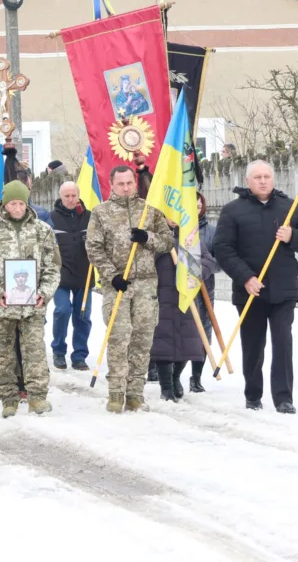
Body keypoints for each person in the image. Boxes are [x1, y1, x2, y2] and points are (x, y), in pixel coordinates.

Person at [213, 160, 298, 414]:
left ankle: (283, 397)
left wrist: (293, 236)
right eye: (258, 177)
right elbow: (223, 249)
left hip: (282, 290)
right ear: (248, 182)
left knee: (282, 341)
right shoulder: (232, 211)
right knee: (253, 344)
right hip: (250, 290)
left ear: (273, 179)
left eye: (267, 176)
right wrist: (246, 278)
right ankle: (253, 393)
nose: (263, 181)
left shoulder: (289, 207)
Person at [85, 165, 174, 413]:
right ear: (112, 184)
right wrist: (111, 276)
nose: (126, 188)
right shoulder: (100, 213)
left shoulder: (149, 210)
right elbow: (93, 248)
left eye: (129, 183)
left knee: (142, 341)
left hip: (146, 285)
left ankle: (135, 393)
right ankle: (116, 393)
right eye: (120, 183)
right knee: (119, 338)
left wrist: (147, 238)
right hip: (118, 286)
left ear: (135, 183)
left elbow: (167, 242)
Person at [0, 180, 61, 418]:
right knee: (1, 355)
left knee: (35, 352)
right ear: (4, 204)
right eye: (13, 203)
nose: (17, 208)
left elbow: (53, 267)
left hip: (32, 306)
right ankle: (8, 397)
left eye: (21, 203)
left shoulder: (42, 230)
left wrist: (45, 292)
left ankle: (37, 396)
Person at [150, 218, 218, 401]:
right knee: (163, 342)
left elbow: (209, 262)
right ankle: (165, 386)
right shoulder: (153, 236)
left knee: (188, 341)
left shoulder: (189, 238)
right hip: (160, 296)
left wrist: (193, 272)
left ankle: (175, 377)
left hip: (186, 296)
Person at [49, 181, 93, 371]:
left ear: (78, 195)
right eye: (66, 196)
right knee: (62, 311)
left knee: (83, 316)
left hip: (85, 275)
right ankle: (58, 351)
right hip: (60, 276)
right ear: (60, 196)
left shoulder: (90, 217)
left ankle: (79, 355)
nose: (70, 199)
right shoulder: (51, 218)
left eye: (73, 195)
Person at [190, 193, 219, 392]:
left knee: (203, 329)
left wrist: (202, 270)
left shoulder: (212, 232)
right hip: (179, 288)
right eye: (193, 204)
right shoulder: (176, 231)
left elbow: (220, 260)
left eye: (200, 204)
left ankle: (196, 376)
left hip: (204, 288)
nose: (197, 207)